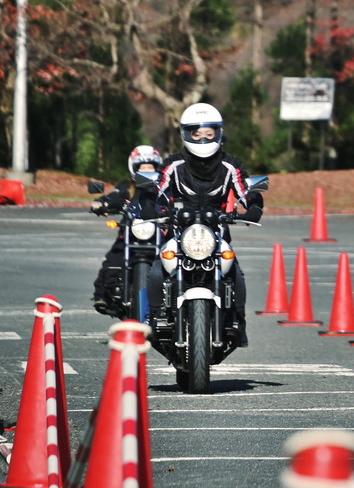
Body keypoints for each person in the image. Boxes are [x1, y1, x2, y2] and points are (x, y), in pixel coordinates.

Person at [151, 102, 262, 347]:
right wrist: (156, 207)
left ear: (219, 133)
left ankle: (236, 321)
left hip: (217, 233)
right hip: (180, 233)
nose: (203, 138)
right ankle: (156, 317)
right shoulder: (173, 164)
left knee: (235, 274)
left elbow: (244, 189)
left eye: (209, 133)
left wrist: (253, 205)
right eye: (196, 133)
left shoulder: (230, 165)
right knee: (157, 269)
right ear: (186, 133)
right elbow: (158, 189)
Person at [90, 144, 168, 316]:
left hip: (158, 232)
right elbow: (114, 196)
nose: (146, 170)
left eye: (151, 167)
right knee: (113, 258)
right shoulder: (128, 186)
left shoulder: (164, 188)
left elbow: (175, 200)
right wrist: (102, 204)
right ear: (134, 168)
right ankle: (106, 295)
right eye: (142, 167)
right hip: (131, 233)